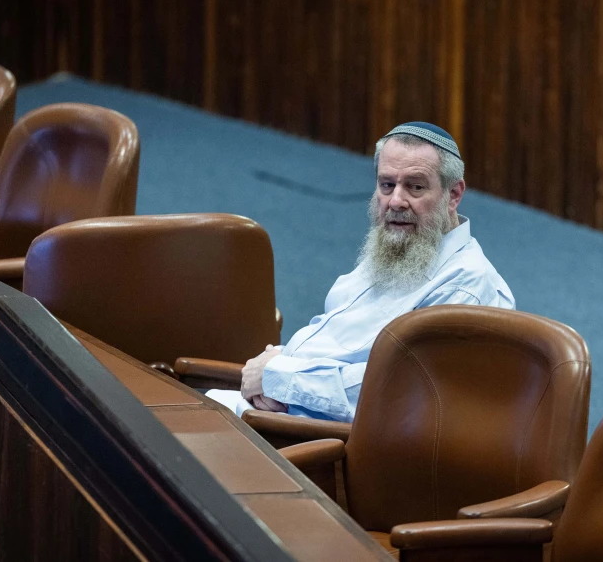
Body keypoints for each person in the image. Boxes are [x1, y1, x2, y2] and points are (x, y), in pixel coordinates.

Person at [207, 122, 515, 421]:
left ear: (453, 195)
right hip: (283, 405)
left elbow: (401, 392)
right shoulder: (403, 247)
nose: (396, 200)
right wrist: (277, 365)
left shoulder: (466, 287)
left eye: (415, 187)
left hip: (322, 441)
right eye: (387, 184)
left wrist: (279, 378)